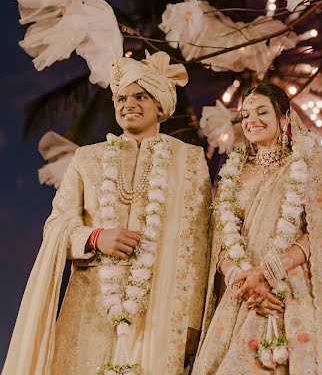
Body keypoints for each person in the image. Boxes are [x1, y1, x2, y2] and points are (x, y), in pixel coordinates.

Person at [3, 50, 211, 375]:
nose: (129, 104)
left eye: (140, 96)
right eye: (121, 97)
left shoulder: (189, 160)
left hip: (159, 312)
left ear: (160, 105)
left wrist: (192, 326)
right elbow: (57, 225)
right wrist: (96, 237)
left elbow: (199, 246)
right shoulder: (87, 159)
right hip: (89, 308)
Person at [193, 83, 322, 375]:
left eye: (262, 111)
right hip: (243, 293)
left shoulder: (314, 162)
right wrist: (238, 277)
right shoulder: (234, 174)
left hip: (293, 288)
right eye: (245, 115)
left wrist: (271, 271)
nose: (252, 120)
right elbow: (219, 241)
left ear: (284, 118)